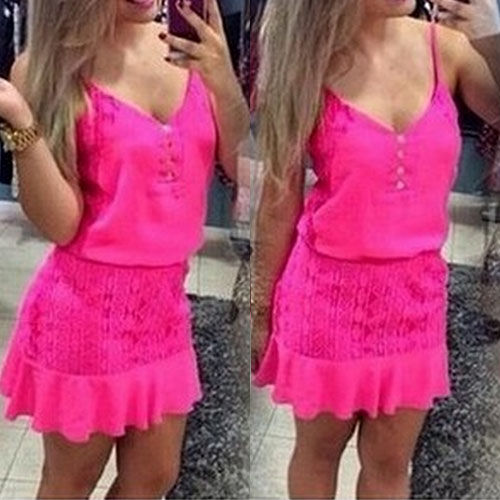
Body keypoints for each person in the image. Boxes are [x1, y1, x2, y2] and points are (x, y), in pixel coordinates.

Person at [0, 0, 249, 498]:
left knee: (153, 477)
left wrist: (223, 79)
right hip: (84, 315)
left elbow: (248, 173)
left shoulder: (189, 51)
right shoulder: (51, 64)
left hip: (164, 309)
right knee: (70, 483)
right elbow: (62, 224)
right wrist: (22, 126)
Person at [252, 0, 500, 498]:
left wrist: (491, 37)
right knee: (318, 453)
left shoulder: (447, 50)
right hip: (326, 300)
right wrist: (261, 311)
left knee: (389, 465)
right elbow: (279, 201)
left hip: (414, 303)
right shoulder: (306, 63)